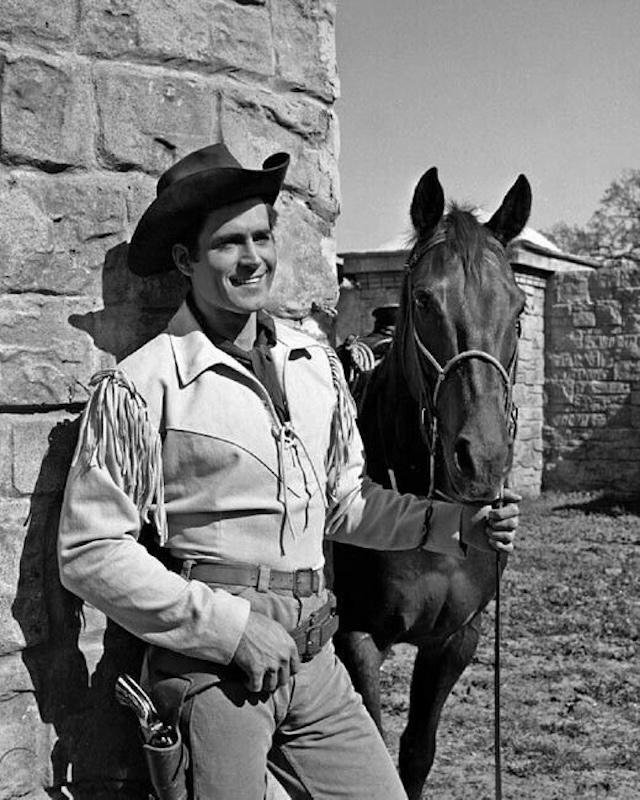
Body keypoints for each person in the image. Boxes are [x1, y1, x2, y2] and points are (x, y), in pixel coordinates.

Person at [57, 143, 521, 800]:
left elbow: (345, 504)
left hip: (318, 659)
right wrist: (230, 630)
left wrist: (451, 523)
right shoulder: (141, 388)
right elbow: (90, 554)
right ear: (187, 260)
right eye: (228, 243)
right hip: (216, 671)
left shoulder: (318, 368)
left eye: (261, 235)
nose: (252, 258)